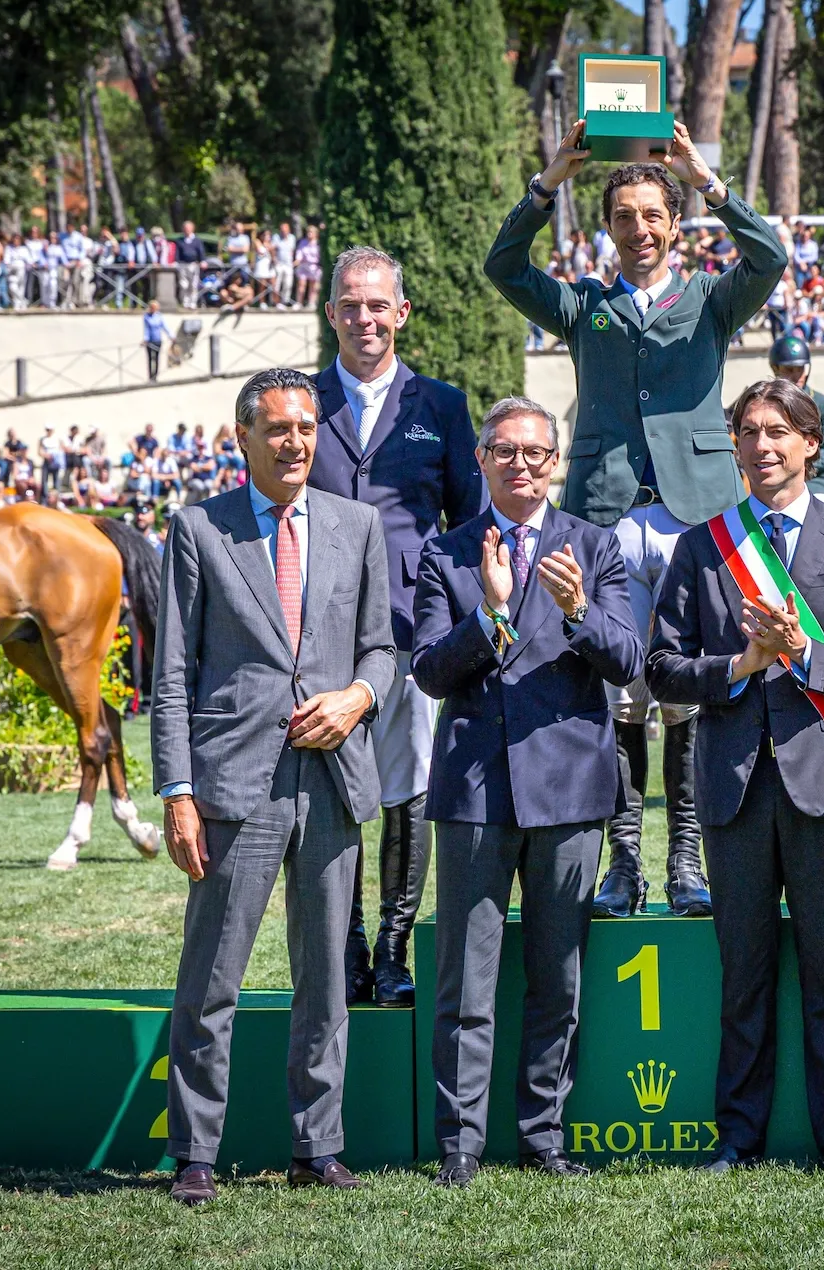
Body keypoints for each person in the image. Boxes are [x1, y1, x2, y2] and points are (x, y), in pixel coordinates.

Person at [484, 118, 787, 921]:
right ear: (608, 229)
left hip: (695, 518)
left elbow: (770, 257)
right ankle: (624, 864)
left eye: (654, 214)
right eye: (624, 217)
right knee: (620, 695)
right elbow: (503, 266)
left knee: (690, 691)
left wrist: (707, 181)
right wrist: (549, 183)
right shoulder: (585, 305)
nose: (640, 229)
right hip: (607, 517)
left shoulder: (711, 300)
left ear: (676, 224)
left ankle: (686, 862)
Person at [151, 366, 395, 1206]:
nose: (295, 443)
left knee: (325, 978)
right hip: (232, 786)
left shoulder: (357, 524)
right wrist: (178, 791)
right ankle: (194, 1153)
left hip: (332, 780)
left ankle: (317, 1147)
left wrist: (357, 697)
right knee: (211, 978)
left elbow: (381, 648)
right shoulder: (198, 528)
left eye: (306, 428)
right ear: (244, 437)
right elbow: (173, 673)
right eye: (279, 429)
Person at [646, 378, 824, 1177]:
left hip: (823, 785)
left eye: (778, 431)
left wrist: (804, 654)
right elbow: (662, 668)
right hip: (734, 791)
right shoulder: (702, 546)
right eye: (749, 431)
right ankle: (738, 1138)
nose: (761, 446)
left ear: (811, 444)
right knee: (744, 978)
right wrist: (741, 665)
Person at [411, 397, 643, 1189]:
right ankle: (460, 1145)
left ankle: (544, 1137)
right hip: (474, 794)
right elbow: (430, 671)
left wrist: (576, 608)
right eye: (504, 451)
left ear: (556, 462)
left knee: (558, 979)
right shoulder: (446, 553)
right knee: (464, 983)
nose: (520, 465)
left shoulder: (595, 547)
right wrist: (494, 612)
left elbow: (626, 660)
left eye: (534, 452)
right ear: (481, 460)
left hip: (569, 793)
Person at [309, 245, 482, 1009]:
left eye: (377, 304)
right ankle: (344, 947)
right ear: (331, 313)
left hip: (410, 633)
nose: (365, 318)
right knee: (333, 798)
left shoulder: (440, 405)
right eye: (350, 304)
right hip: (316, 638)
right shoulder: (301, 402)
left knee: (408, 790)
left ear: (401, 313)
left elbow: (469, 524)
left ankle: (391, 949)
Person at [766, 335, 824, 500]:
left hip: (814, 483)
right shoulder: (765, 404)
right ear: (775, 369)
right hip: (772, 481)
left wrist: (795, 465)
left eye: (800, 368)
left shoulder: (822, 403)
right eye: (789, 369)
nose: (797, 375)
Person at [175, 221, 204, 310]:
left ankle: (193, 303)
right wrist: (177, 262)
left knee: (193, 285)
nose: (186, 230)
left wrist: (202, 261)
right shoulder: (180, 240)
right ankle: (185, 302)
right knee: (183, 284)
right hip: (183, 264)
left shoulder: (197, 240)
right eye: (185, 228)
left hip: (193, 264)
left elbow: (201, 252)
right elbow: (177, 253)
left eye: (188, 228)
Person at [143, 300, 168, 382]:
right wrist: (145, 339)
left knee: (157, 359)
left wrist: (171, 336)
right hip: (150, 341)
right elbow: (146, 329)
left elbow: (164, 327)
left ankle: (155, 376)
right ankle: (150, 377)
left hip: (158, 340)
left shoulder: (159, 316)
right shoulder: (146, 316)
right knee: (150, 359)